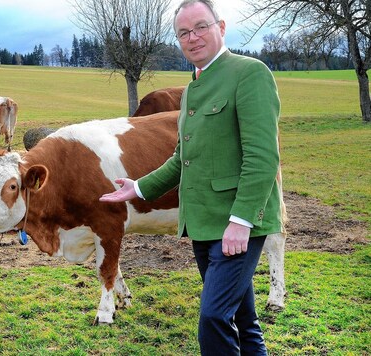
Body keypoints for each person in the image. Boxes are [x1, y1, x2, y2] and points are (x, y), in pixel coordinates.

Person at [100, 0, 283, 354]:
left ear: (221, 27)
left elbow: (263, 157)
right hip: (202, 222)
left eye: (201, 27)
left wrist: (242, 220)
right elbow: (182, 159)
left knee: (213, 318)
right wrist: (138, 187)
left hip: (237, 224)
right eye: (184, 32)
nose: (193, 37)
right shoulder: (194, 88)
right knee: (244, 320)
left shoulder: (250, 73)